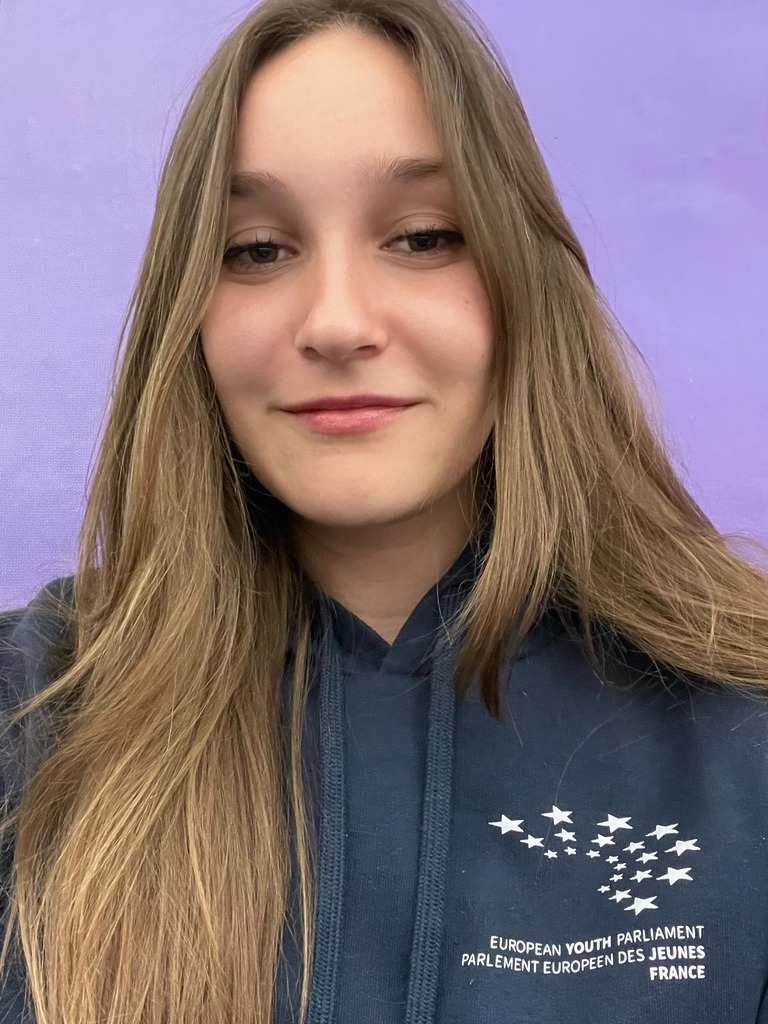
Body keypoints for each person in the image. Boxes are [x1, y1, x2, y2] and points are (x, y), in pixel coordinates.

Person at [1, 0, 767, 1021]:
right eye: (257, 249)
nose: (336, 322)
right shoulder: (32, 716)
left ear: (523, 284)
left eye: (421, 236)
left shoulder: (739, 727)